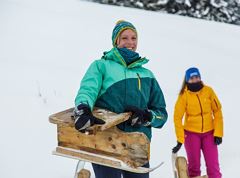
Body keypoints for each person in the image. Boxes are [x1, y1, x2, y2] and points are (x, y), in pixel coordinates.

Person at [73, 20, 168, 178]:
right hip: (106, 141)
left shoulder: (147, 75)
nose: (130, 42)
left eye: (133, 38)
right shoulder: (101, 66)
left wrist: (147, 116)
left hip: (137, 144)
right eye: (124, 38)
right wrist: (82, 108)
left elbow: (161, 114)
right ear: (115, 41)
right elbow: (87, 90)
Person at [172, 67, 223, 178]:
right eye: (192, 78)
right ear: (187, 80)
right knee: (194, 168)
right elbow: (177, 118)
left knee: (213, 166)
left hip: (209, 133)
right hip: (191, 134)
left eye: (197, 77)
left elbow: (217, 111)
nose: (195, 80)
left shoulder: (208, 91)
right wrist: (180, 139)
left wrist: (218, 133)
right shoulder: (183, 96)